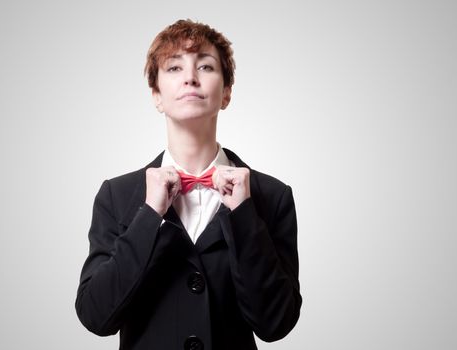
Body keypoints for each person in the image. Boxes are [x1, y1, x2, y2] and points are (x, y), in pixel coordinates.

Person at [75, 19, 301, 350]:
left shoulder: (272, 196)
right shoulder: (117, 195)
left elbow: (276, 323)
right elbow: (96, 316)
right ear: (157, 95)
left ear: (226, 93)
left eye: (206, 66)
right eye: (174, 68)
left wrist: (243, 215)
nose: (190, 77)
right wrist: (149, 214)